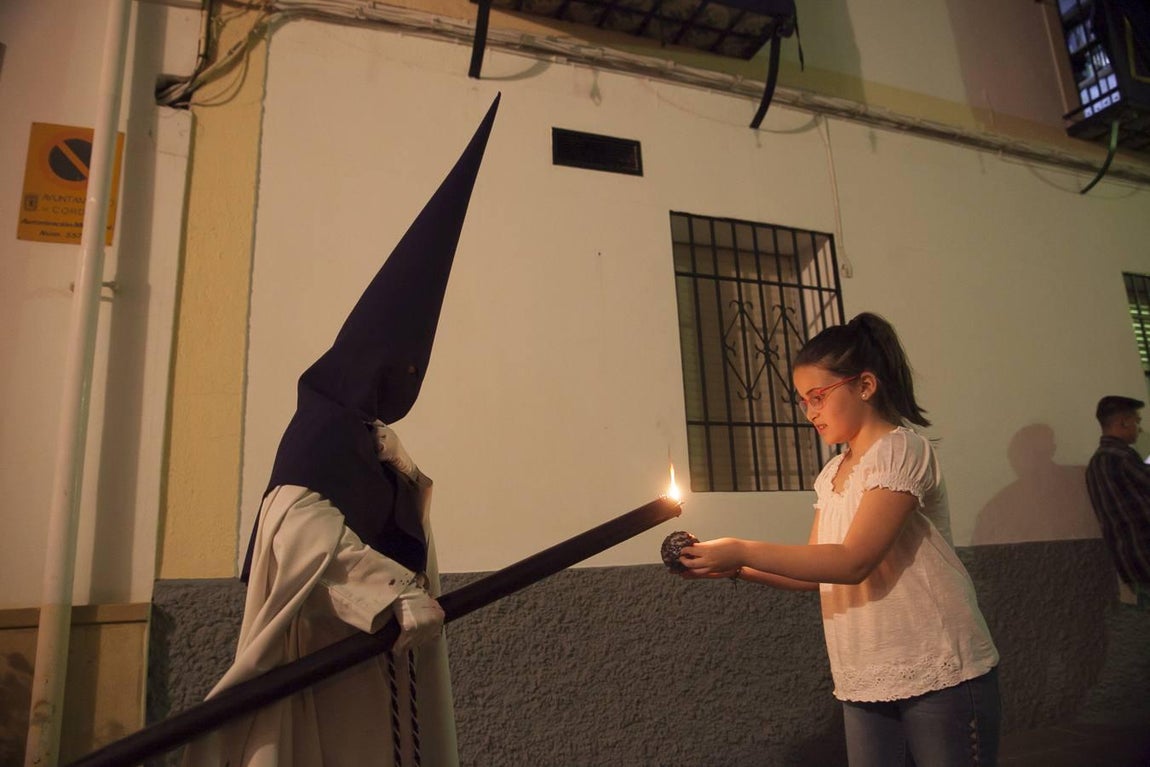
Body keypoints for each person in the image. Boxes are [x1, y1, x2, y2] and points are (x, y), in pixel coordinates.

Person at [183, 94, 501, 767]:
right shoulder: (322, 425)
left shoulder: (364, 434)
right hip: (329, 658)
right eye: (399, 369)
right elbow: (294, 529)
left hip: (372, 662)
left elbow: (393, 524)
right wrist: (389, 592)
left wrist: (407, 475)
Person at [677, 312, 1000, 767]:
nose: (810, 412)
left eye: (818, 397)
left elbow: (853, 562)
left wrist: (743, 547)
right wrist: (735, 568)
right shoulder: (831, 473)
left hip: (935, 662)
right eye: (802, 401)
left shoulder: (901, 450)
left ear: (865, 386)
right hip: (865, 670)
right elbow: (816, 571)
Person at [1085, 395, 1150, 602]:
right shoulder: (1123, 457)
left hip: (1130, 562)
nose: (1140, 429)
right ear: (1124, 422)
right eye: (1137, 421)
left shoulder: (1094, 464)